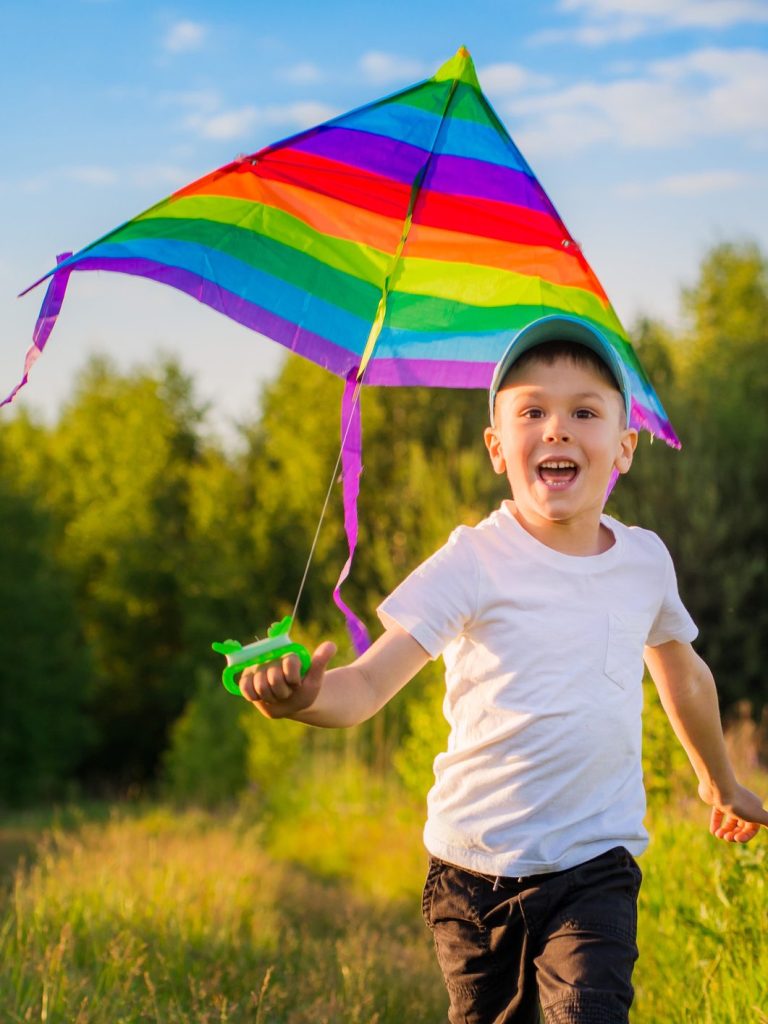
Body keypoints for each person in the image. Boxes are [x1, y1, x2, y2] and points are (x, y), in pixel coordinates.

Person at [238, 314, 768, 1024]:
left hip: (594, 863)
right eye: (533, 411)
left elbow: (685, 675)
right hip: (473, 870)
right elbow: (366, 684)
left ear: (624, 448)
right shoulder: (471, 560)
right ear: (497, 447)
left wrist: (720, 779)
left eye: (584, 411)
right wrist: (302, 699)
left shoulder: (644, 560)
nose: (557, 428)